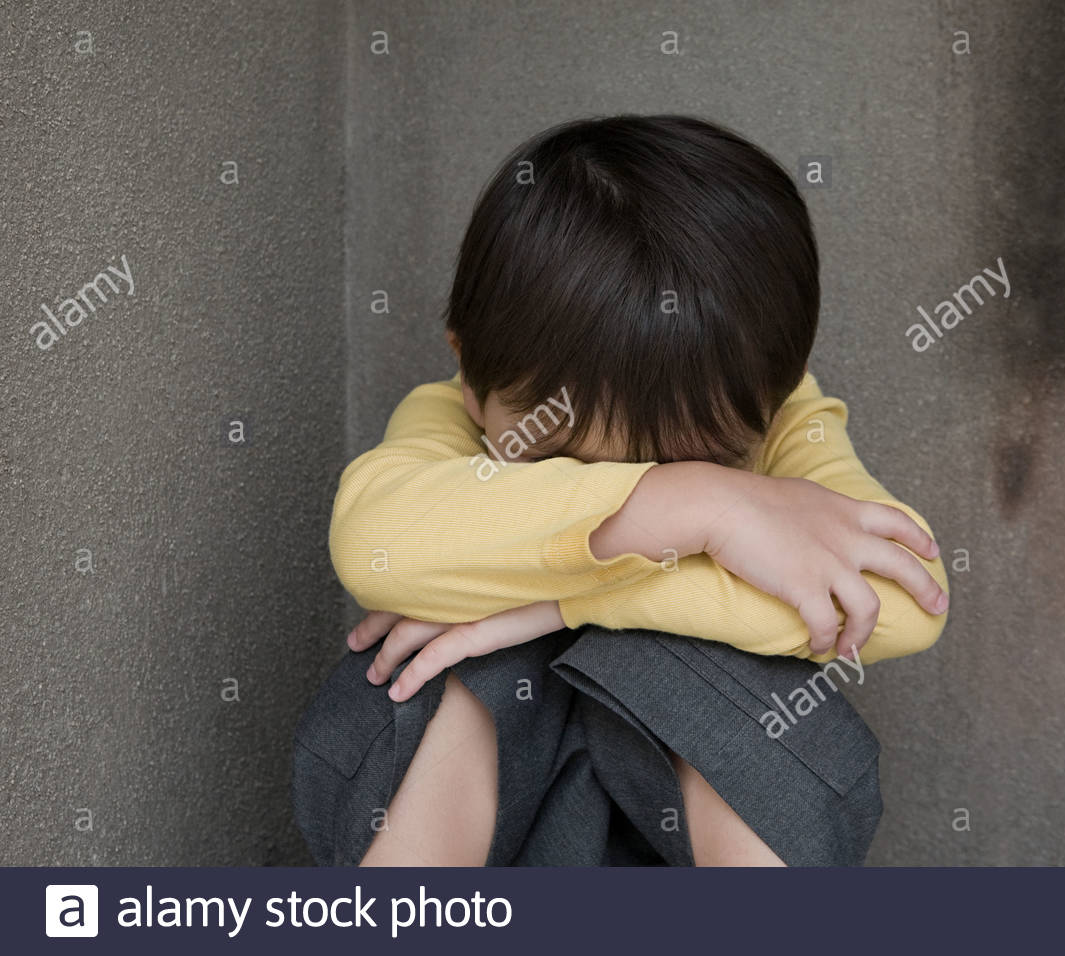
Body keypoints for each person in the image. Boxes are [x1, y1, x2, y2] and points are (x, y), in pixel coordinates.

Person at [292, 114, 950, 867]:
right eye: (559, 459)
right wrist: (707, 506)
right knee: (454, 660)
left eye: (695, 464)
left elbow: (907, 601)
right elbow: (372, 544)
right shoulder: (446, 415)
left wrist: (567, 604)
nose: (656, 482)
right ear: (469, 373)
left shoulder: (787, 419)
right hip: (504, 829)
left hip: (679, 834)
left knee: (680, 661)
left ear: (775, 397)